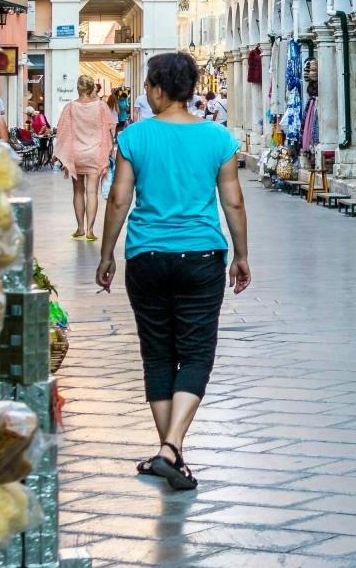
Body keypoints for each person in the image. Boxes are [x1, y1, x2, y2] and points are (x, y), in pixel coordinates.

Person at [97, 50, 251, 492]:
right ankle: (172, 449)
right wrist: (241, 254)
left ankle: (168, 449)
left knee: (158, 353)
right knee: (196, 352)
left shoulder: (134, 137)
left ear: (160, 89)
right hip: (202, 256)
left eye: (148, 85)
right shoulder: (218, 139)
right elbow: (233, 201)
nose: (146, 91)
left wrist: (108, 254)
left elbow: (119, 200)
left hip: (146, 257)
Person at [53, 76, 116, 240]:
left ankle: (80, 228)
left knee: (78, 191)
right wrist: (108, 148)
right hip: (95, 153)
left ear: (78, 88)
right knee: (92, 191)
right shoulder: (101, 107)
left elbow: (62, 131)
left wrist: (60, 153)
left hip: (76, 154)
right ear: (91, 88)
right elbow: (110, 129)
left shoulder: (70, 107)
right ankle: (90, 230)